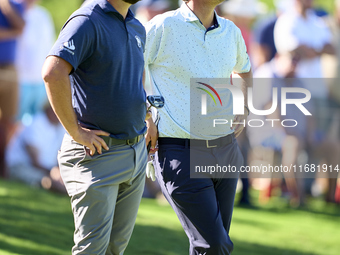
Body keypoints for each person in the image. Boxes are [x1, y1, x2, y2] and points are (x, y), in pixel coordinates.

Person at [41, 0, 152, 254]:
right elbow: (52, 72)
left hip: (134, 153)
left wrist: (146, 116)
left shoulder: (135, 25)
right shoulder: (87, 20)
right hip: (96, 155)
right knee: (92, 250)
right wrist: (76, 132)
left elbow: (133, 80)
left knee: (115, 250)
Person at [144, 0, 252, 254]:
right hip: (178, 151)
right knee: (214, 244)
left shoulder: (231, 31)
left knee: (210, 245)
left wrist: (242, 106)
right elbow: (130, 72)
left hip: (226, 149)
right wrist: (146, 116)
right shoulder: (162, 26)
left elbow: (243, 70)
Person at [5, 102, 66, 192]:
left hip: (44, 170)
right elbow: (35, 162)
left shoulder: (61, 127)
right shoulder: (35, 123)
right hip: (21, 166)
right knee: (47, 182)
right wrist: (53, 172)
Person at [15, 0, 55, 124]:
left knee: (33, 124)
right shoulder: (14, 12)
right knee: (13, 124)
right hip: (20, 80)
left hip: (39, 82)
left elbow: (50, 46)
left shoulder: (43, 15)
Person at [0, 0, 25, 178]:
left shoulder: (15, 5)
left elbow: (22, 26)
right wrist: (14, 32)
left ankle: (3, 163)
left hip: (10, 69)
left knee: (9, 121)